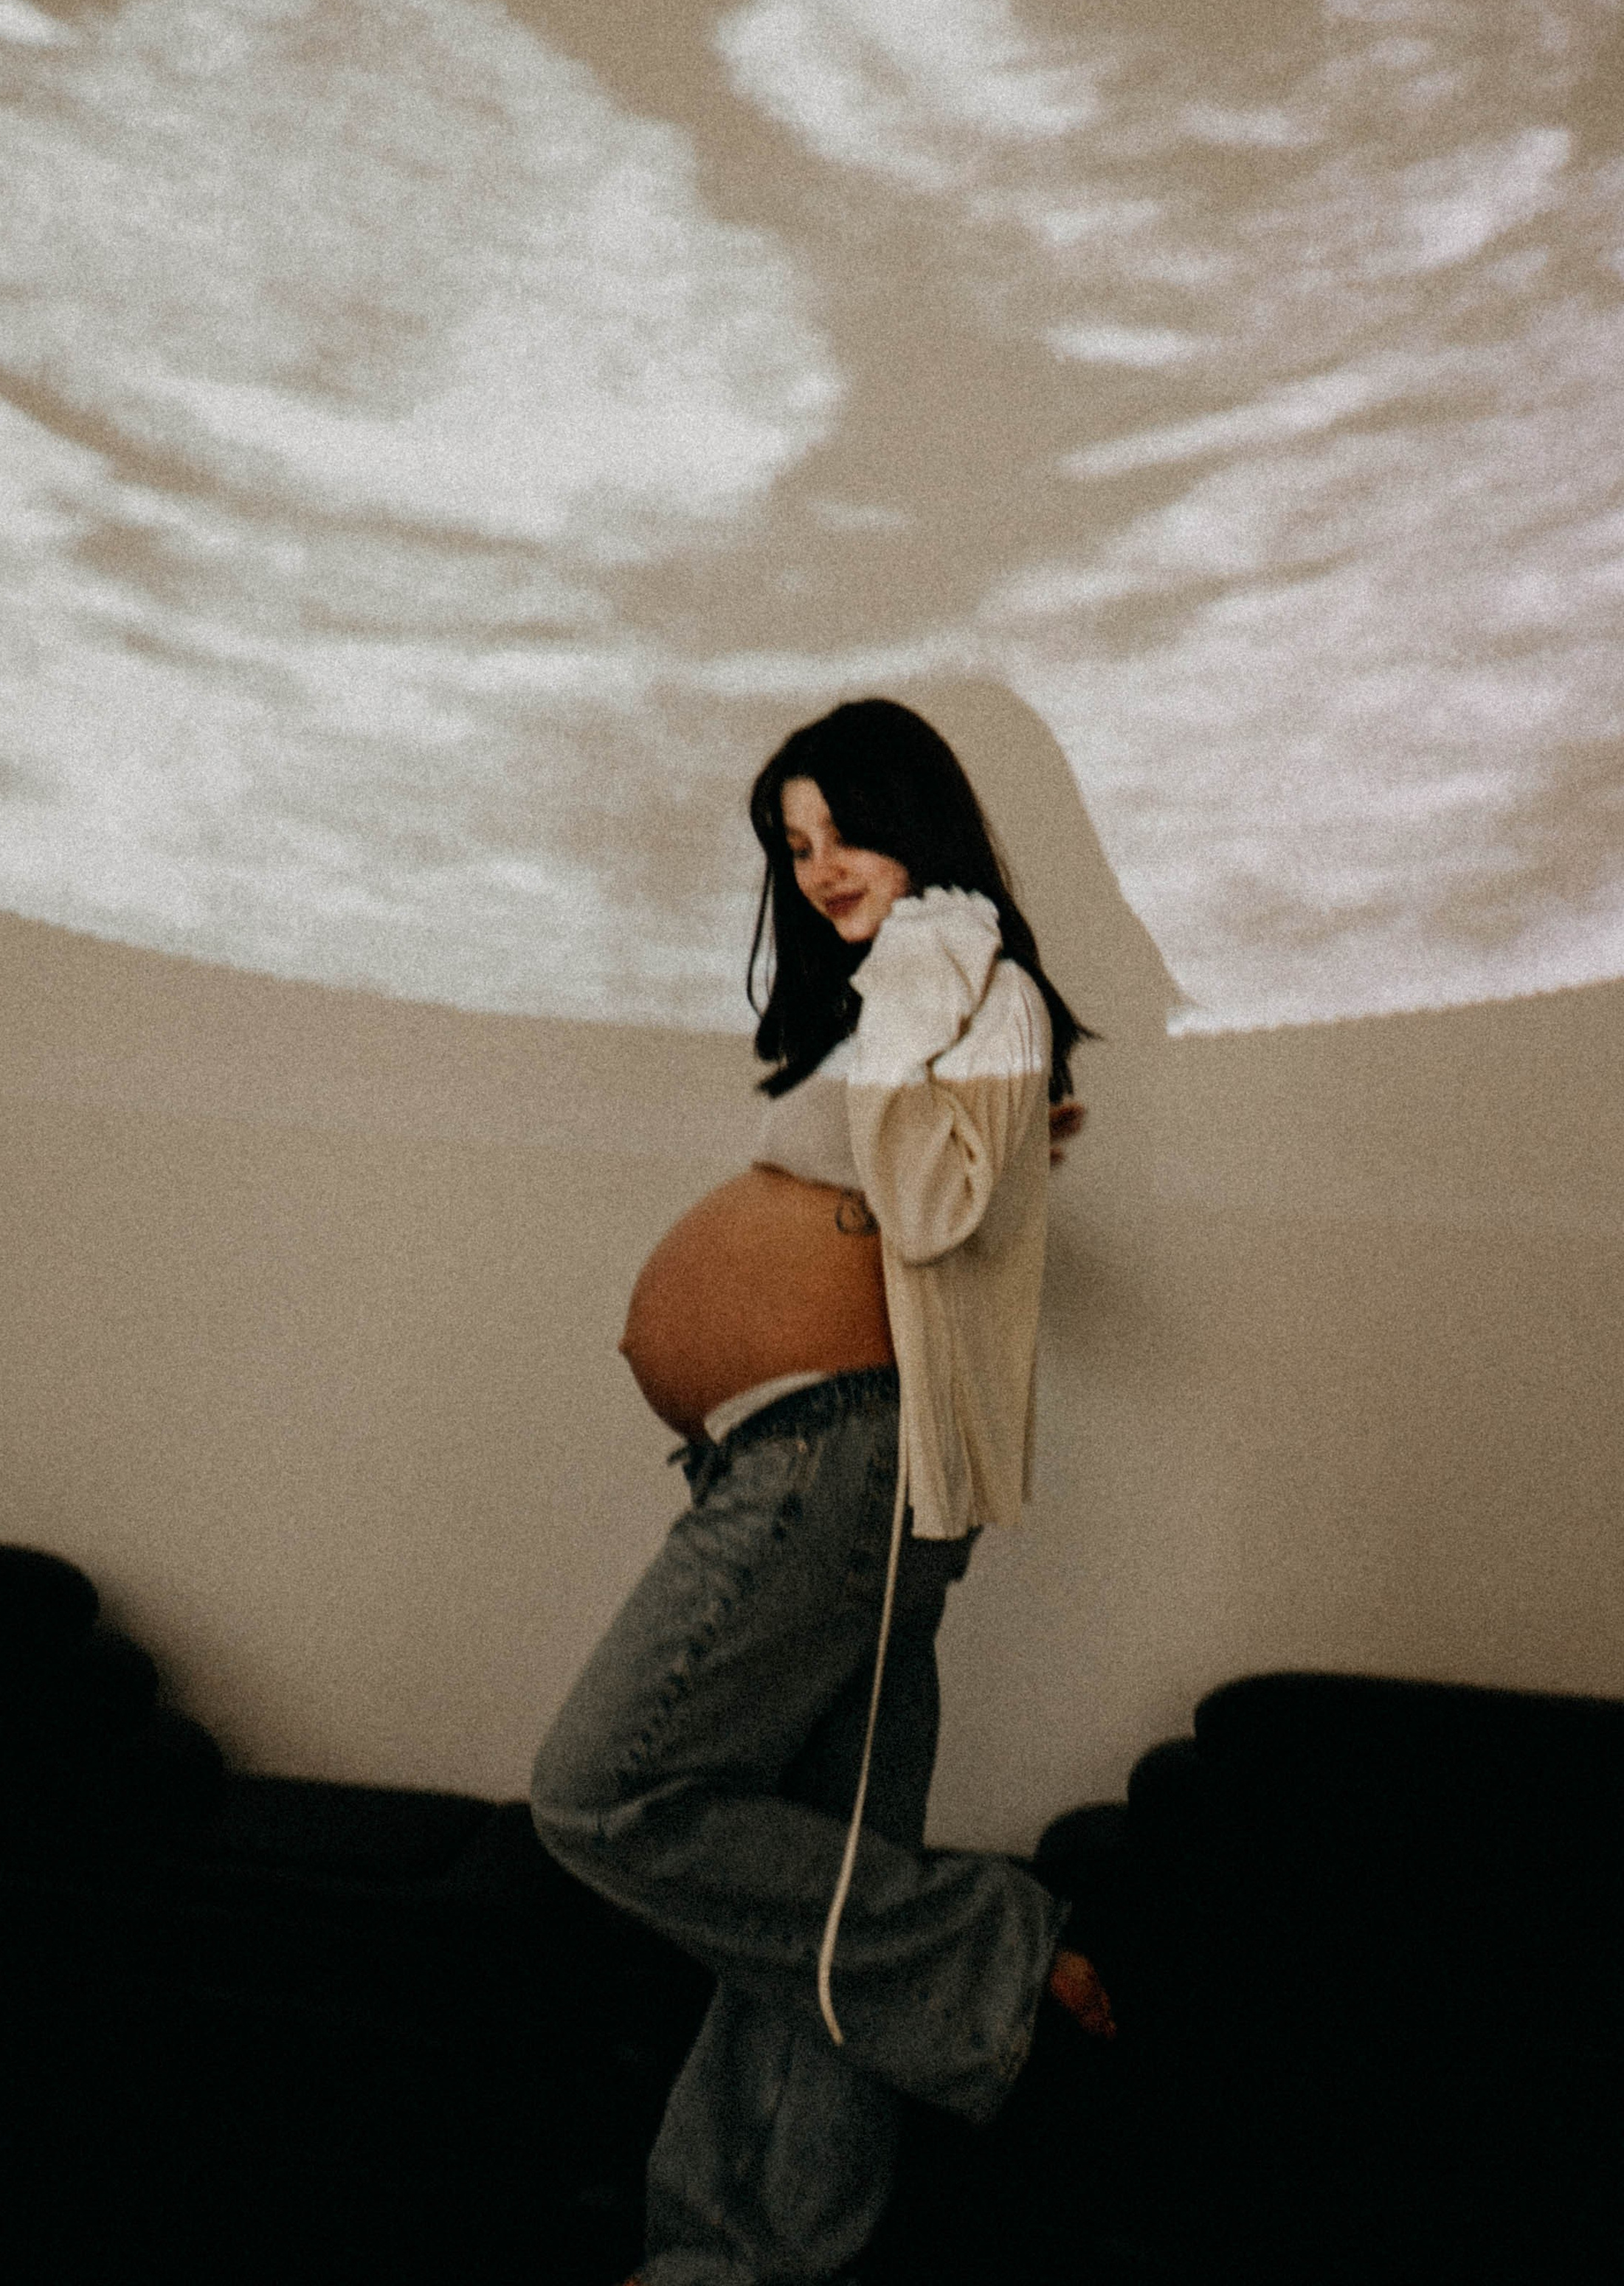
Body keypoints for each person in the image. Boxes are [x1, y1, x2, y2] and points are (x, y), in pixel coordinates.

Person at [530, 697, 1115, 2286]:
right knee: (812, 1883)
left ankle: (997, 1955)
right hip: (807, 1464)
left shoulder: (964, 982)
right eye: (793, 850)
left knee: (601, 1793)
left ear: (913, 821)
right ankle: (745, 2259)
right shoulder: (908, 1011)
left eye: (840, 830)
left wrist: (935, 966)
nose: (819, 868)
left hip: (840, 1462)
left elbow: (927, 1213)